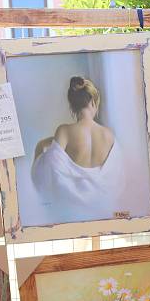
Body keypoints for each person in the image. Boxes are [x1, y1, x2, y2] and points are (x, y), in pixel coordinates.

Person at [31, 76, 126, 221]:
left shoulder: (64, 131)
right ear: (93, 102)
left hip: (72, 213)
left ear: (72, 106)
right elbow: (119, 178)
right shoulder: (108, 135)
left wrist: (40, 146)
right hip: (103, 210)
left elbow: (47, 172)